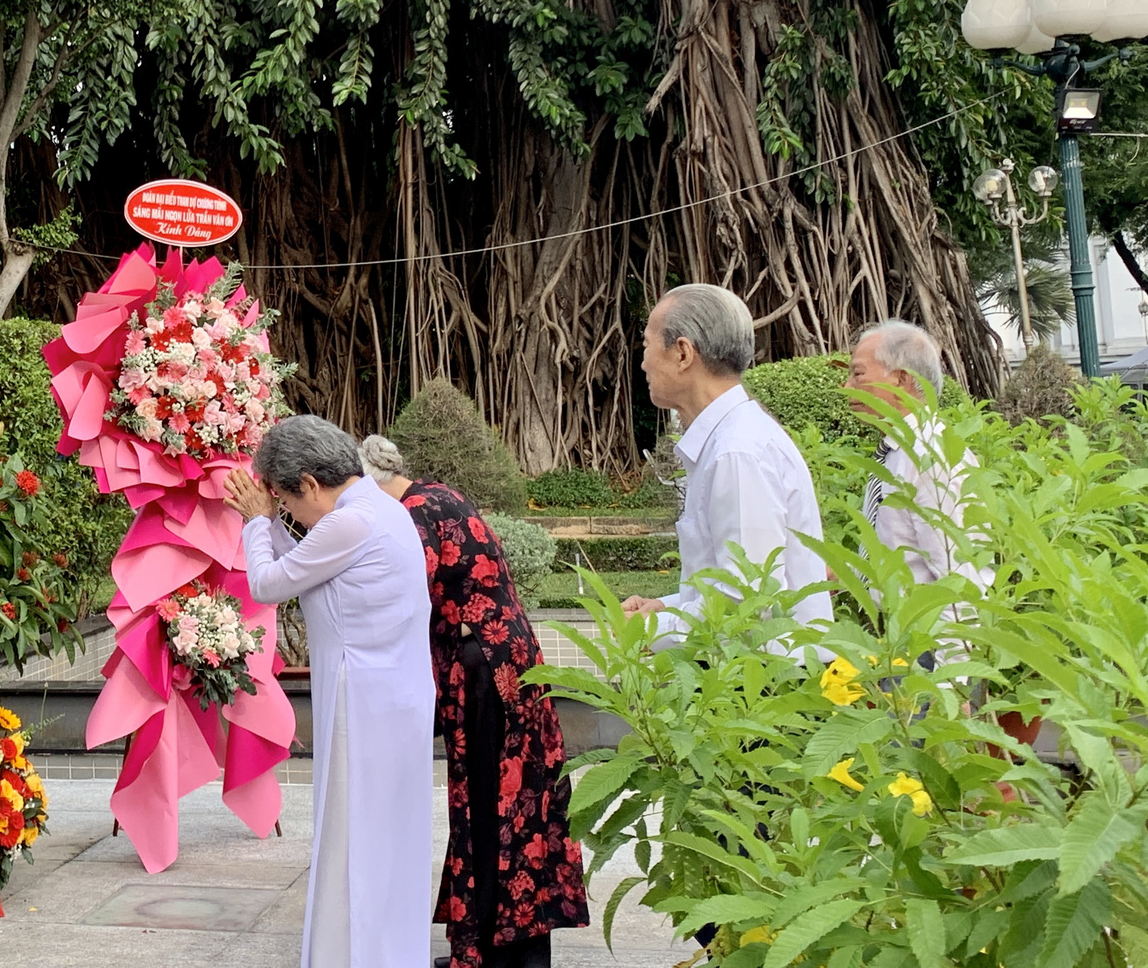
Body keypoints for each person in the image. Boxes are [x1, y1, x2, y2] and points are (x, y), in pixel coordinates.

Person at [361, 434, 588, 968]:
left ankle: (493, 954)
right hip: (510, 660)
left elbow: (391, 601)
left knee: (493, 805)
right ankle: (510, 947)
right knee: (521, 803)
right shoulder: (438, 496)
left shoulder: (409, 518)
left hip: (485, 669)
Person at [226, 415, 435, 968]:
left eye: (289, 504)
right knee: (383, 840)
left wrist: (255, 520)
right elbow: (296, 566)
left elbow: (268, 582)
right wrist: (271, 519)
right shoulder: (379, 508)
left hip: (364, 704)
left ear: (312, 484)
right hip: (390, 697)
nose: (289, 517)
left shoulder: (350, 524)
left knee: (356, 839)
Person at [619, 284, 833, 646]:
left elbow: (749, 602)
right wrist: (664, 608)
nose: (642, 362)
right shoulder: (731, 439)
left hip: (763, 685)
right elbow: (731, 586)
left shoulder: (737, 451)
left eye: (646, 346)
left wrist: (648, 631)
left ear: (683, 353)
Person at [847, 320, 987, 596]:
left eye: (858, 374)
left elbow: (958, 581)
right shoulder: (899, 451)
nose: (847, 385)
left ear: (900, 379)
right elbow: (900, 550)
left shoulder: (934, 458)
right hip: (901, 629)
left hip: (928, 633)